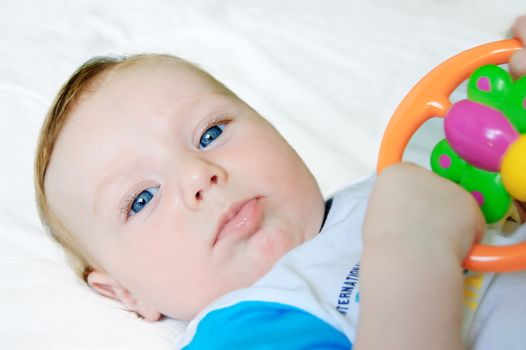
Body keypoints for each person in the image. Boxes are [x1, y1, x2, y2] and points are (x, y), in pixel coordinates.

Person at [34, 16, 526, 350]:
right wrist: (413, 250)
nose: (196, 173)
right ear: (124, 293)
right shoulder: (244, 328)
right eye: (141, 199)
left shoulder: (394, 178)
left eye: (211, 133)